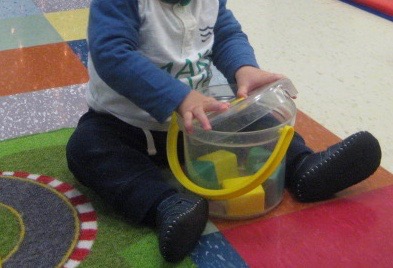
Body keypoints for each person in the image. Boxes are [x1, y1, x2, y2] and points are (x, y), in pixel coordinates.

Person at [66, 0, 382, 263]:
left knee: (256, 118)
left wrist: (243, 68)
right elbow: (112, 54)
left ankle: (303, 166)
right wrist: (178, 97)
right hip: (125, 125)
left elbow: (224, 31)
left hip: (200, 125)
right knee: (87, 148)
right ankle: (166, 205)